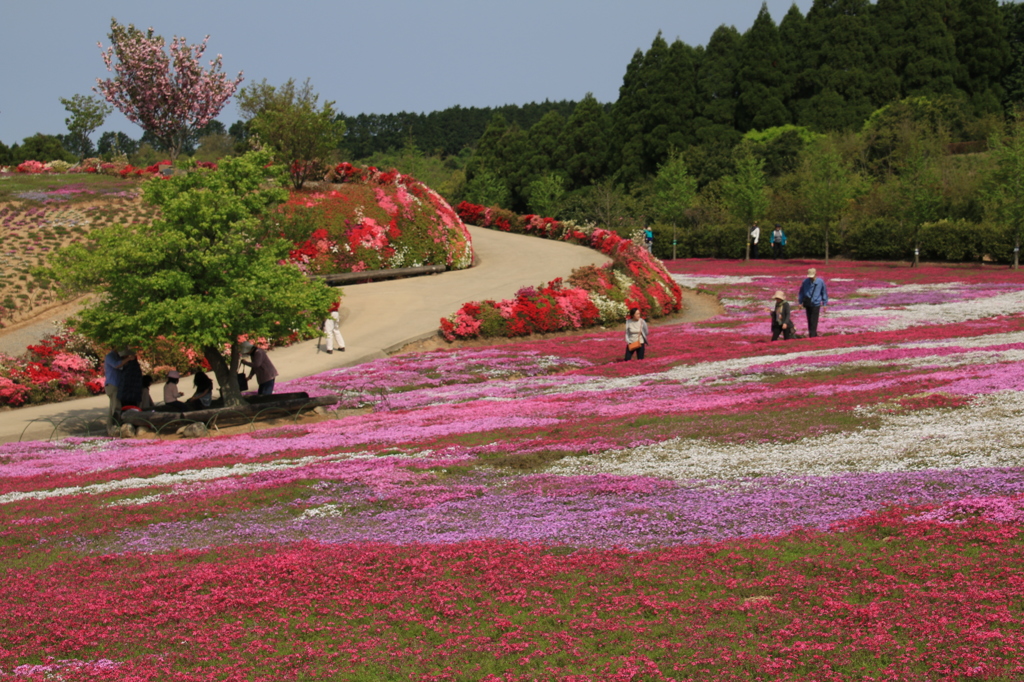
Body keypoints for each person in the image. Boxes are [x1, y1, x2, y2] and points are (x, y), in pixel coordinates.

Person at [103, 347, 131, 428]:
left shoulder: (118, 356)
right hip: (112, 385)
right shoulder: (110, 356)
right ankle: (114, 427)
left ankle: (111, 426)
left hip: (117, 385)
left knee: (113, 407)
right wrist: (128, 359)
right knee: (116, 407)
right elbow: (116, 365)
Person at [797, 268, 829, 338]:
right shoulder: (805, 282)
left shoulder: (820, 282)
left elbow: (824, 292)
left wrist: (825, 304)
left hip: (816, 303)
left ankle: (812, 335)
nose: (811, 278)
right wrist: (800, 302)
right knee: (809, 319)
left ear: (815, 274)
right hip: (808, 303)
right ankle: (813, 334)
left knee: (814, 320)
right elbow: (801, 292)